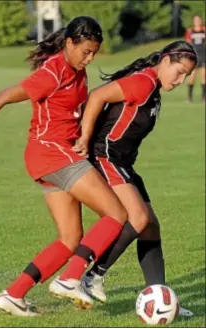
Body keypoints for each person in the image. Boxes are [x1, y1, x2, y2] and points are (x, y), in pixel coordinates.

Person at [0, 16, 129, 316]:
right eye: (86, 51)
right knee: (116, 213)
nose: (91, 57)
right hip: (52, 154)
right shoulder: (53, 72)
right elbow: (7, 95)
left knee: (70, 239)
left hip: (53, 156)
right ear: (69, 43)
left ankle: (14, 294)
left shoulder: (77, 71)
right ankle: (72, 278)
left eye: (95, 52)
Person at [51, 40, 196, 317]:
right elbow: (97, 97)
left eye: (186, 75)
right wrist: (83, 137)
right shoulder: (143, 82)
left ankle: (160, 297)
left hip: (123, 162)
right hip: (105, 157)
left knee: (151, 227)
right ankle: (90, 277)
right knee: (137, 218)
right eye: (178, 71)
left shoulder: (153, 88)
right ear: (164, 61)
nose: (180, 80)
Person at [185, 15, 205, 103]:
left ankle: (203, 99)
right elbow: (188, 43)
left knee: (203, 77)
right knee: (192, 77)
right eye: (195, 20)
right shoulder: (190, 31)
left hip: (203, 55)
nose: (197, 21)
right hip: (194, 56)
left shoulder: (204, 29)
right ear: (193, 21)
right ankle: (189, 99)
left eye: (198, 19)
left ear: (200, 20)